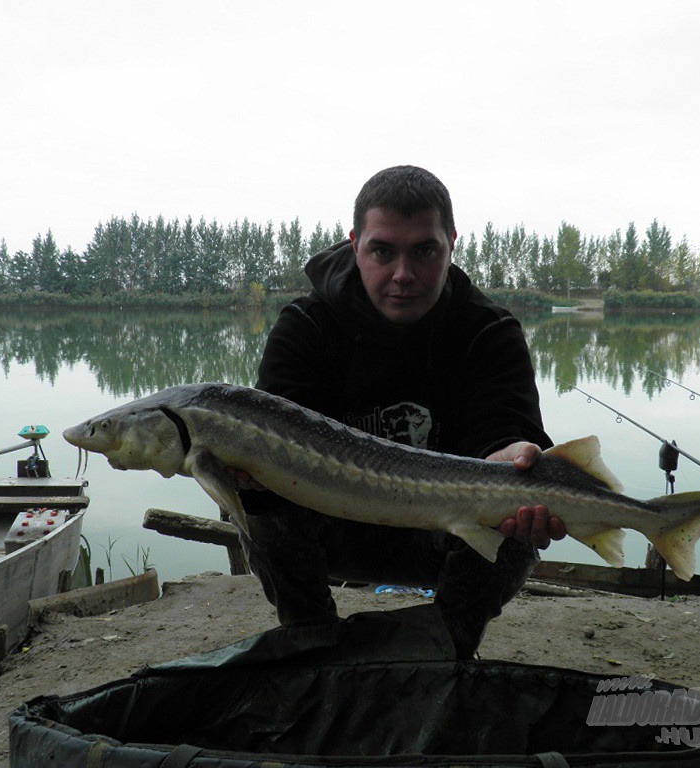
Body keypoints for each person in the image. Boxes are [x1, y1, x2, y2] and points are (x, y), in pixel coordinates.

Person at [236, 165, 565, 657]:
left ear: (452, 243)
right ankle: (312, 642)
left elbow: (506, 431)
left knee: (517, 523)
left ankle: (448, 647)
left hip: (444, 531)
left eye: (424, 251)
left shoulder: (489, 332)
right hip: (334, 524)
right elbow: (269, 436)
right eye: (383, 251)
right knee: (251, 495)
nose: (403, 274)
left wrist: (517, 454)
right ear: (355, 244)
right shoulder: (307, 326)